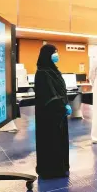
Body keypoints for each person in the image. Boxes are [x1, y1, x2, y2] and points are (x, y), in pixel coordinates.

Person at [34, 44, 72, 179]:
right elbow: (48, 96)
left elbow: (61, 90)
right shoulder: (42, 73)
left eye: (57, 52)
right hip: (49, 117)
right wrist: (63, 106)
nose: (56, 55)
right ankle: (51, 171)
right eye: (54, 52)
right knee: (51, 142)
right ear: (47, 55)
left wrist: (65, 104)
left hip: (59, 114)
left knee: (60, 141)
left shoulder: (54, 71)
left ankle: (62, 167)